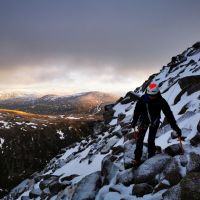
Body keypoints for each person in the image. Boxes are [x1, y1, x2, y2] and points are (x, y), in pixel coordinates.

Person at [131, 83, 182, 165]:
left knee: (151, 140)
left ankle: (151, 157)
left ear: (157, 93)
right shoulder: (143, 99)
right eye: (150, 95)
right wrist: (134, 120)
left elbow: (169, 115)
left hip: (154, 121)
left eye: (153, 95)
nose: (151, 97)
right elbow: (137, 110)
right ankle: (137, 159)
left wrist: (176, 128)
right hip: (144, 121)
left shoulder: (161, 101)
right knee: (140, 139)